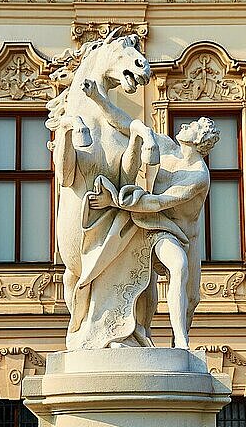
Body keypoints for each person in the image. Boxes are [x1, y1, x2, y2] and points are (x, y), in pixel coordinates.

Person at [88, 117, 220, 349]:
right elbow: (124, 123)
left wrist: (114, 200)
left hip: (176, 232)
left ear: (200, 140)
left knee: (186, 287)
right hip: (146, 224)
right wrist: (97, 96)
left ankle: (180, 340)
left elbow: (159, 203)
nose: (183, 126)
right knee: (149, 278)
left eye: (191, 126)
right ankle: (135, 332)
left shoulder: (198, 175)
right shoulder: (168, 147)